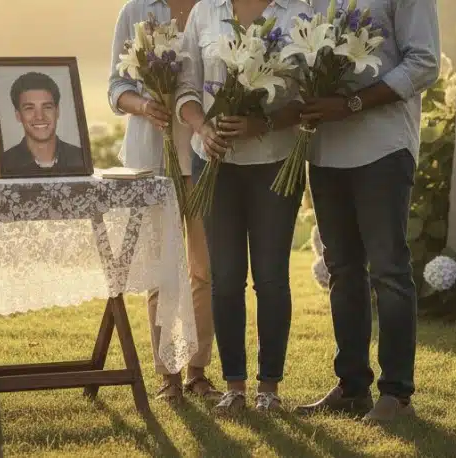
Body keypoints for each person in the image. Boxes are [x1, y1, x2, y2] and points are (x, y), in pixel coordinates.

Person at [294, 0, 440, 422]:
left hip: (384, 145)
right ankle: (352, 386)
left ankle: (397, 395)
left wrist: (352, 103)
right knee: (342, 270)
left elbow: (425, 63)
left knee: (389, 271)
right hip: (325, 150)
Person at [176, 0, 312, 412]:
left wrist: (261, 124)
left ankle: (269, 388)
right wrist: (203, 126)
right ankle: (234, 386)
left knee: (271, 278)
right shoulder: (205, 11)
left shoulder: (297, 12)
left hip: (275, 161)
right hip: (214, 161)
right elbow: (186, 87)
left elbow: (309, 95)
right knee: (225, 277)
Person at [108, 0, 222, 402]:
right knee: (160, 272)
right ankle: (167, 374)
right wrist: (143, 105)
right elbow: (115, 87)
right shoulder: (135, 10)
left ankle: (197, 370)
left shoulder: (213, 8)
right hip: (150, 160)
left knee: (203, 269)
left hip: (202, 156)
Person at [0, 72, 86, 175]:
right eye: (29, 108)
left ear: (57, 111)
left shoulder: (81, 159)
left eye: (47, 107)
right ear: (18, 115)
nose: (40, 116)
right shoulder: (5, 163)